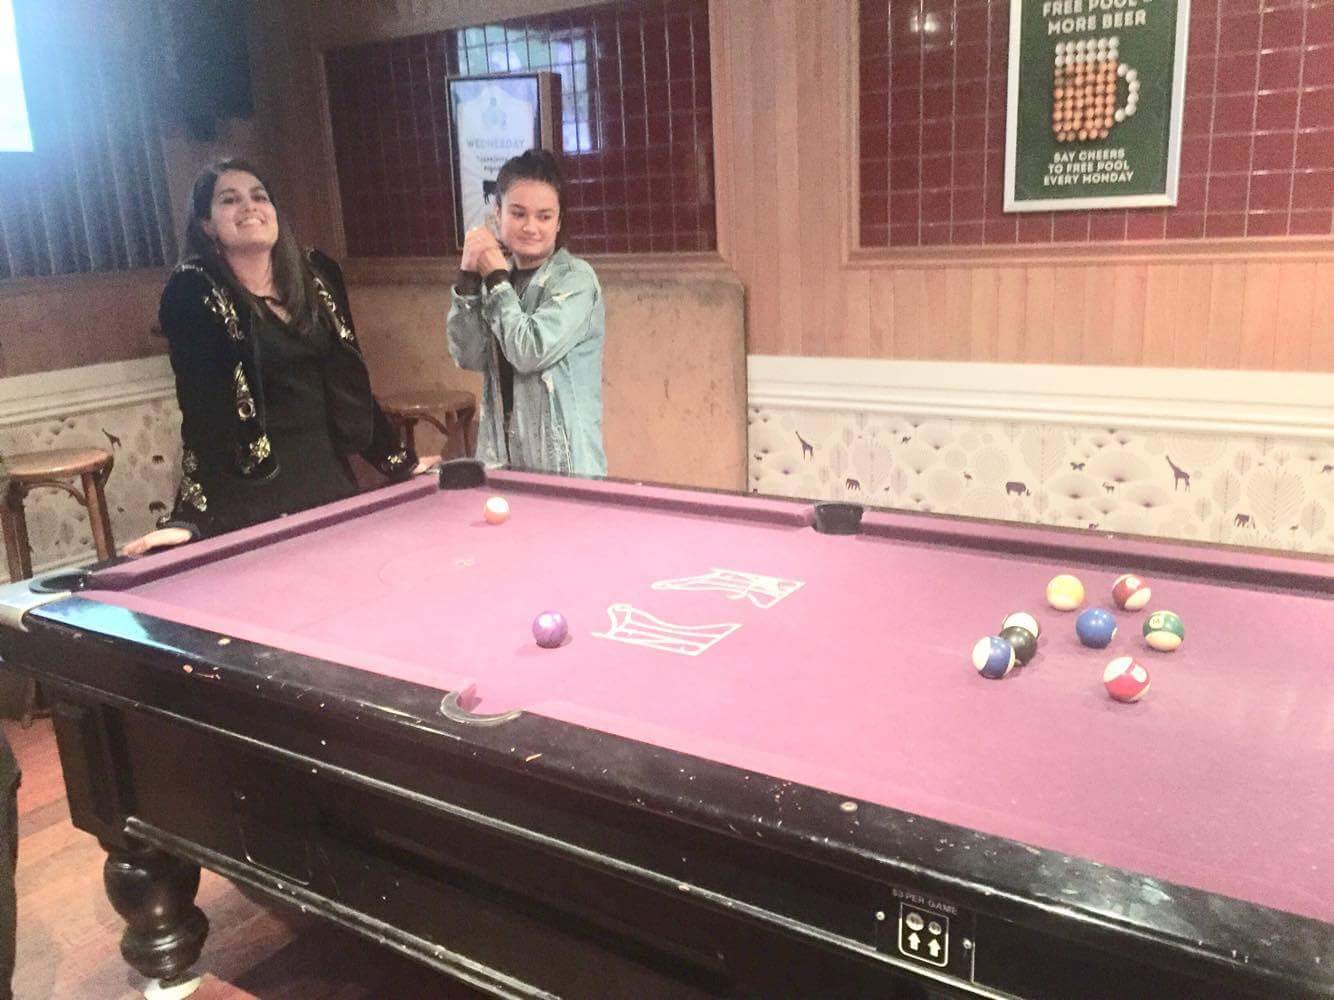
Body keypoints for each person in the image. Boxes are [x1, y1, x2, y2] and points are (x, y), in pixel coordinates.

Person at [125, 159, 427, 555]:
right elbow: (202, 411)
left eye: (259, 196)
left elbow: (349, 381)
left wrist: (400, 461)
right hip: (252, 494)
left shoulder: (316, 274)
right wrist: (190, 519)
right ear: (206, 224)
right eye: (229, 200)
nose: (249, 206)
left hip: (328, 478)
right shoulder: (193, 290)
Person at [446, 149, 606, 476]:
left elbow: (529, 351)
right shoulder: (500, 279)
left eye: (544, 216)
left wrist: (495, 279)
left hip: (565, 470)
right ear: (498, 212)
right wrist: (468, 280)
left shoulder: (576, 279)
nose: (531, 227)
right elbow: (469, 356)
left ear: (559, 221)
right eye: (518, 214)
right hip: (502, 458)